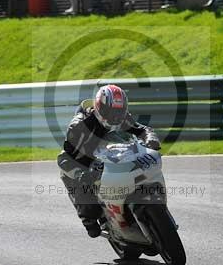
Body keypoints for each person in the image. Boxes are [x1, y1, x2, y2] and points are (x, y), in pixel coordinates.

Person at [57, 84, 161, 237]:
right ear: (99, 107)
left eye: (118, 112)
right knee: (91, 218)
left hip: (114, 156)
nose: (114, 117)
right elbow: (64, 158)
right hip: (84, 164)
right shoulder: (79, 126)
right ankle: (90, 220)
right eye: (110, 112)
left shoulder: (123, 118)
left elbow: (143, 130)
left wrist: (151, 140)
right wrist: (81, 174)